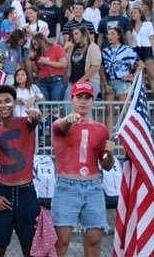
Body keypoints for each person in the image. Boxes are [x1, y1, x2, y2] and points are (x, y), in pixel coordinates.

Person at [51, 82, 116, 257]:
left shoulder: (101, 129)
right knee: (61, 241)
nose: (83, 101)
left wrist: (110, 154)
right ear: (71, 99)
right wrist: (69, 119)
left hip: (93, 186)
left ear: (93, 101)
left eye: (87, 98)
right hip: (67, 186)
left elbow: (106, 165)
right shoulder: (59, 123)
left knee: (94, 241)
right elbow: (62, 126)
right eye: (79, 97)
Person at [0, 85, 42, 256]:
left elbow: (34, 119)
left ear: (14, 102)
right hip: (2, 192)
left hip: (26, 193)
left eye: (7, 101)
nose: (3, 105)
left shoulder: (27, 123)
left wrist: (35, 114)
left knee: (29, 247)